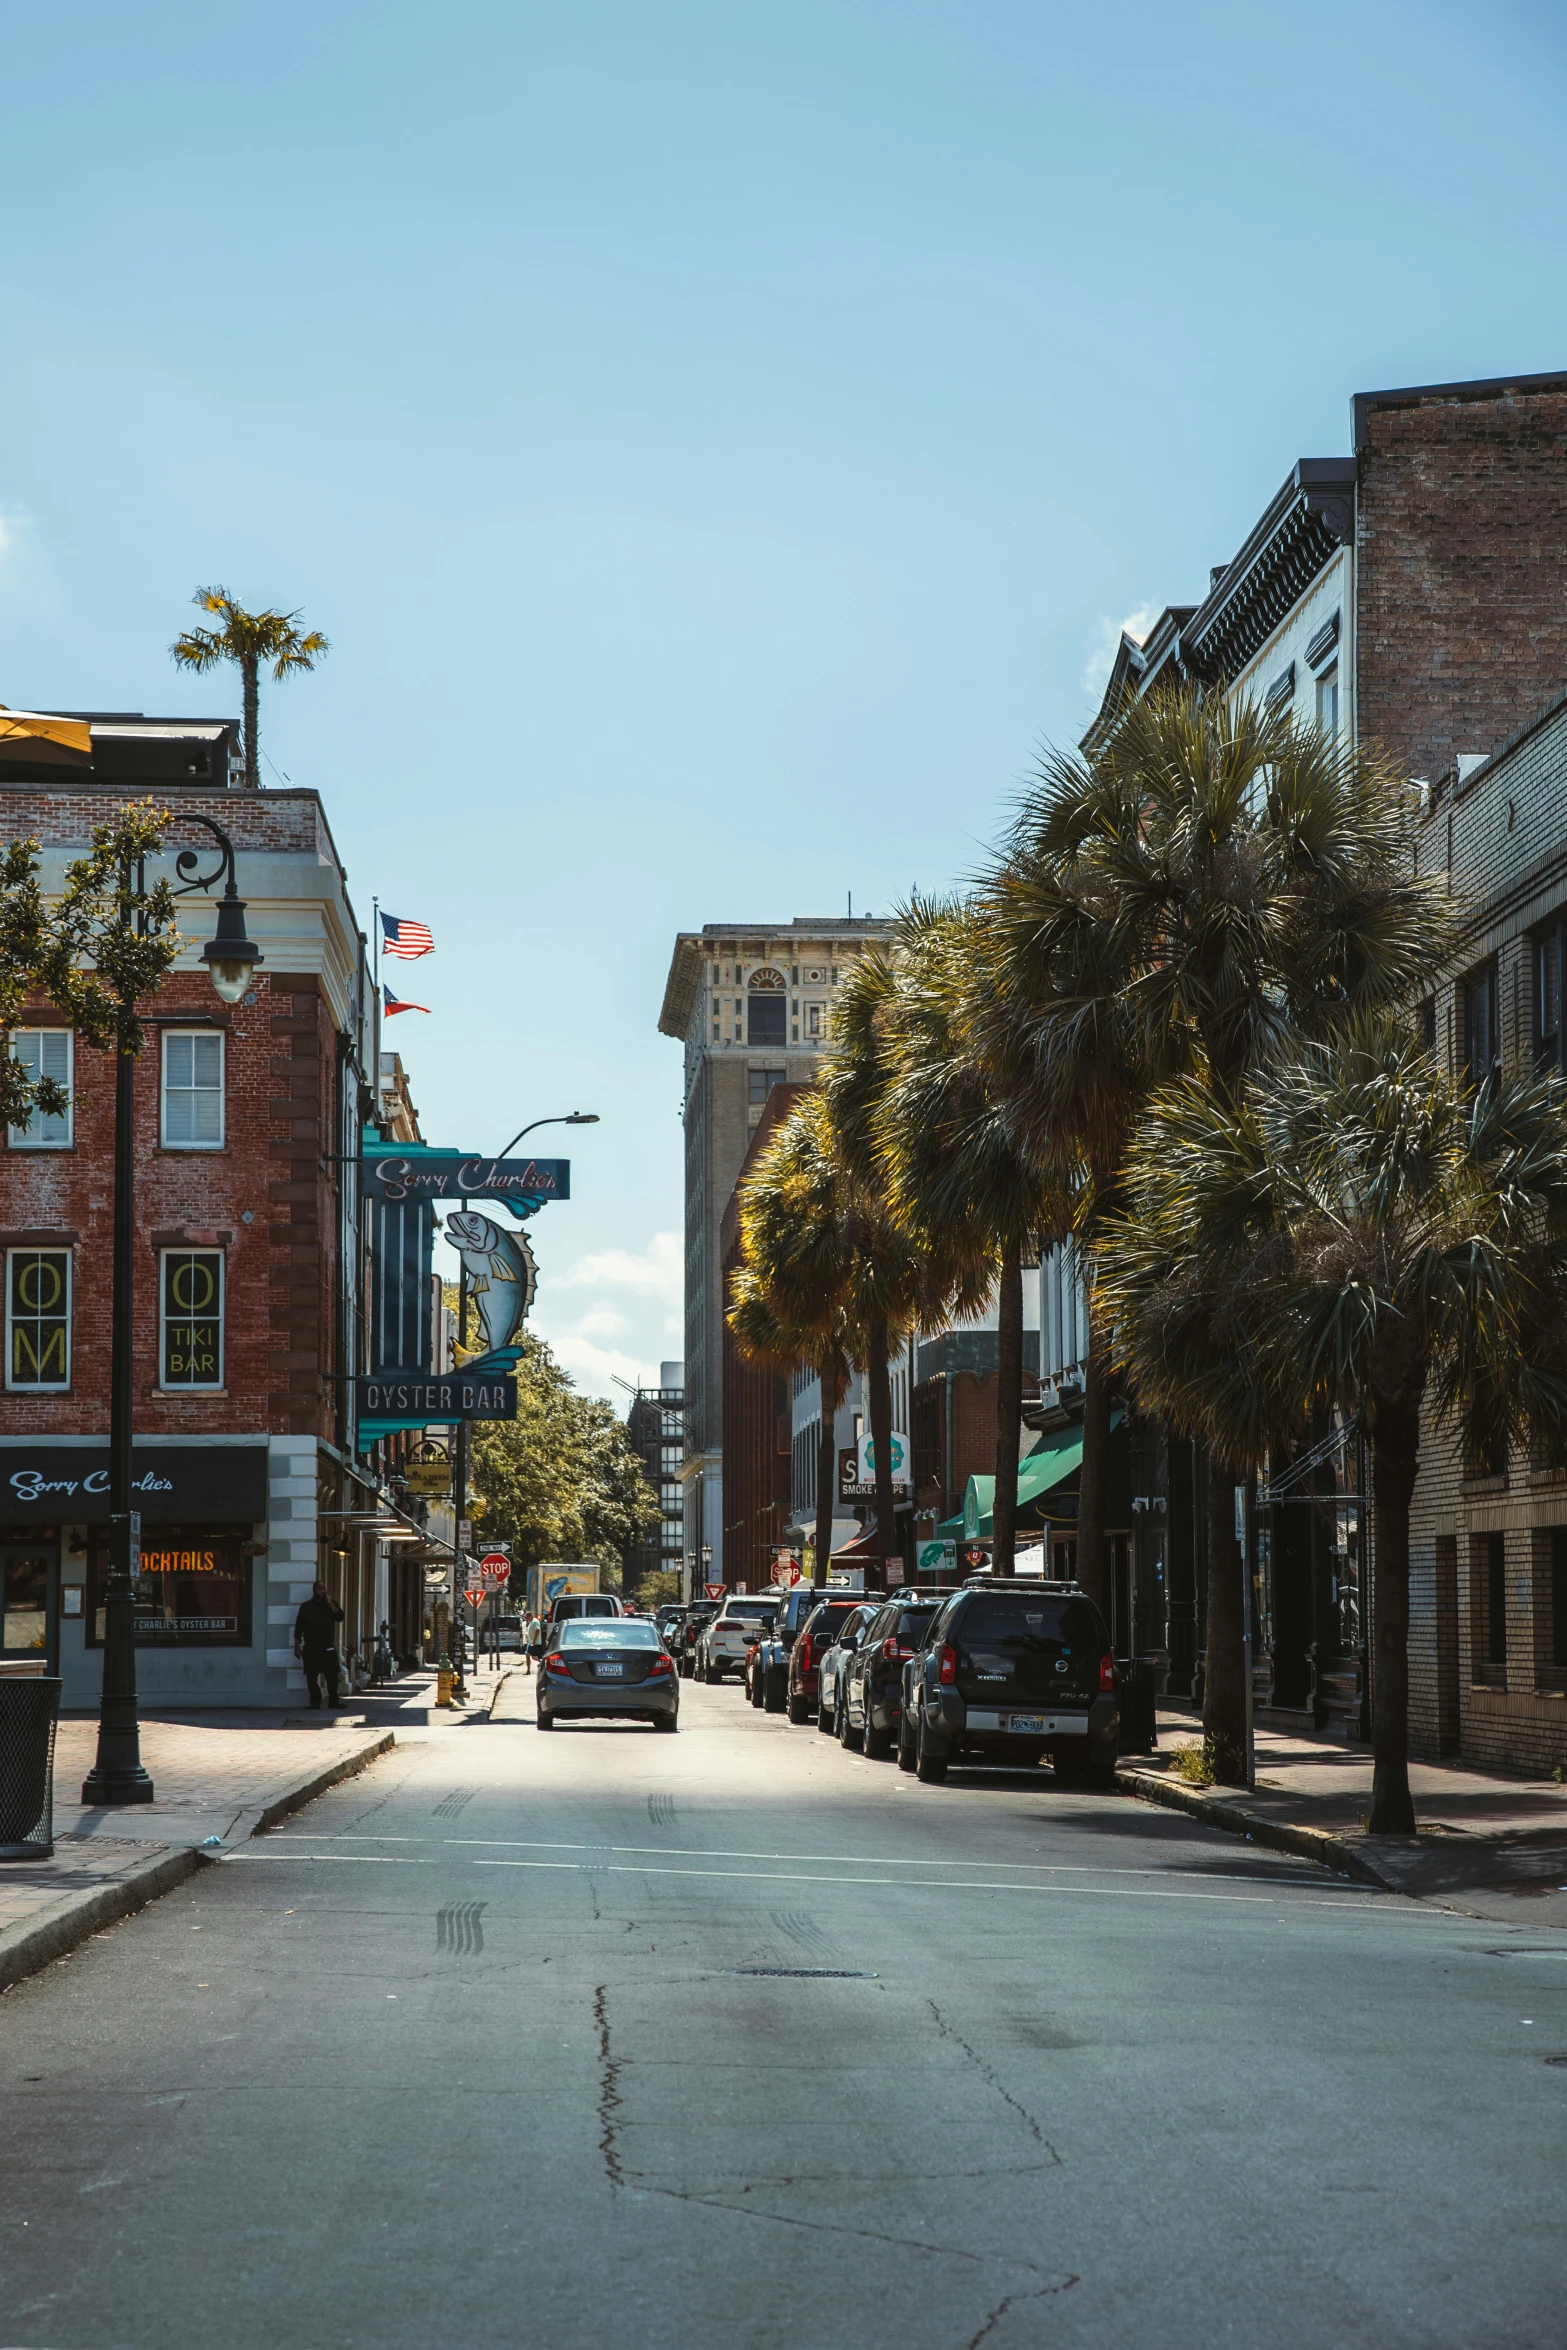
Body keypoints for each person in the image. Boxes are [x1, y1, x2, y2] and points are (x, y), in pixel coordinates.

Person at [294, 1580, 345, 1709]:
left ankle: (334, 1701)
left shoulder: (330, 1604)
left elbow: (339, 1617)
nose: (323, 1591)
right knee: (311, 1676)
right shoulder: (306, 1607)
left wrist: (331, 1604)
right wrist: (297, 1645)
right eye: (320, 1589)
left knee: (332, 1675)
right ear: (314, 1590)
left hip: (327, 1645)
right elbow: (299, 1627)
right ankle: (315, 1701)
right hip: (311, 1646)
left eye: (324, 1588)